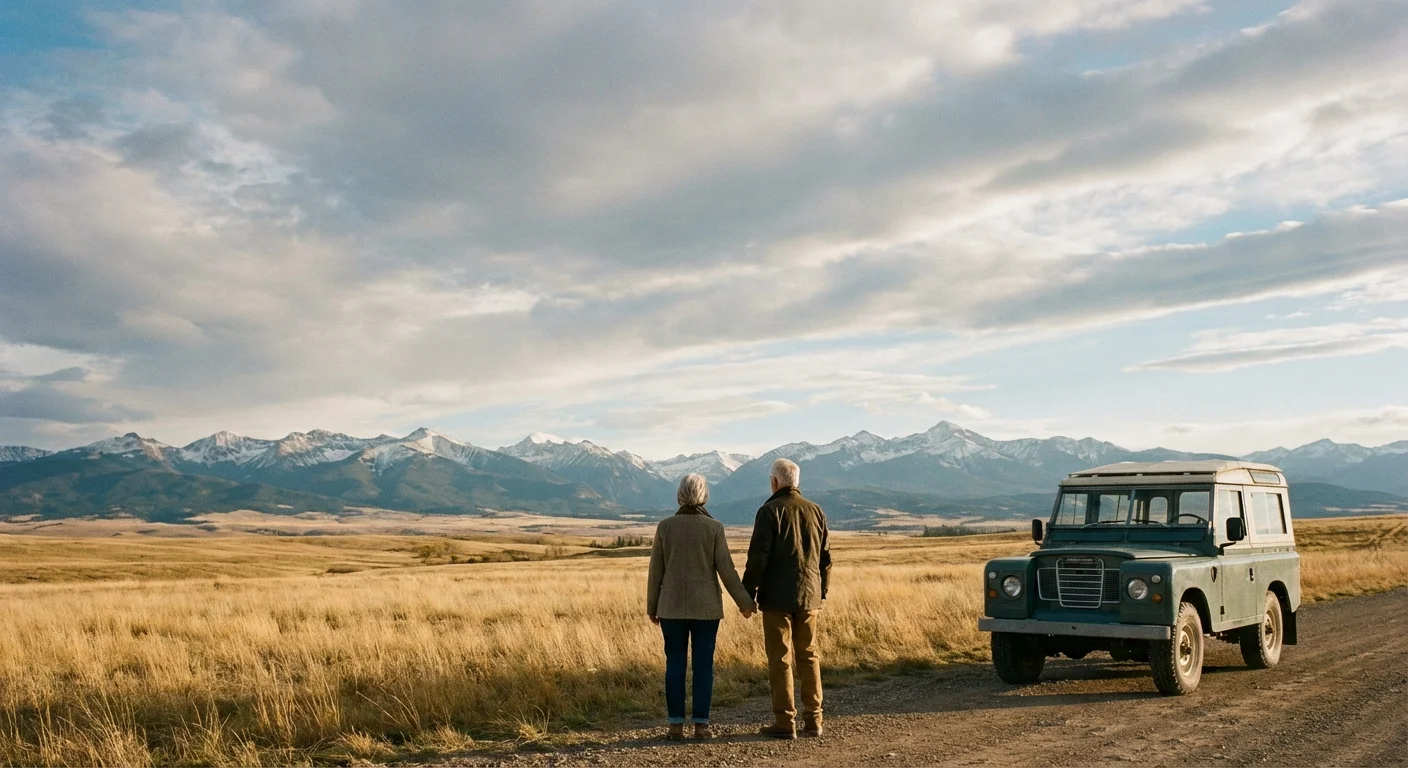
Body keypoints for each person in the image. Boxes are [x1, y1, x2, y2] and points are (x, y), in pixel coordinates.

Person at [646, 473, 756, 740]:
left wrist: (652, 606)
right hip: (707, 610)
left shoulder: (665, 526)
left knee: (675, 664)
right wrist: (745, 603)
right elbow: (727, 571)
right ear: (704, 496)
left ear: (679, 496)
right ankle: (701, 726)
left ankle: (674, 726)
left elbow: (655, 571)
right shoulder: (714, 527)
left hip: (670, 608)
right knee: (704, 666)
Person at [742, 457, 831, 739]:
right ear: (797, 482)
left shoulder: (769, 511)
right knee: (809, 656)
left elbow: (758, 558)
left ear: (774, 482)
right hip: (809, 597)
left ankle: (785, 722)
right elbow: (826, 560)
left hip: (776, 600)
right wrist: (821, 591)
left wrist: (747, 594)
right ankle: (814, 720)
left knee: (780, 659)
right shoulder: (816, 511)